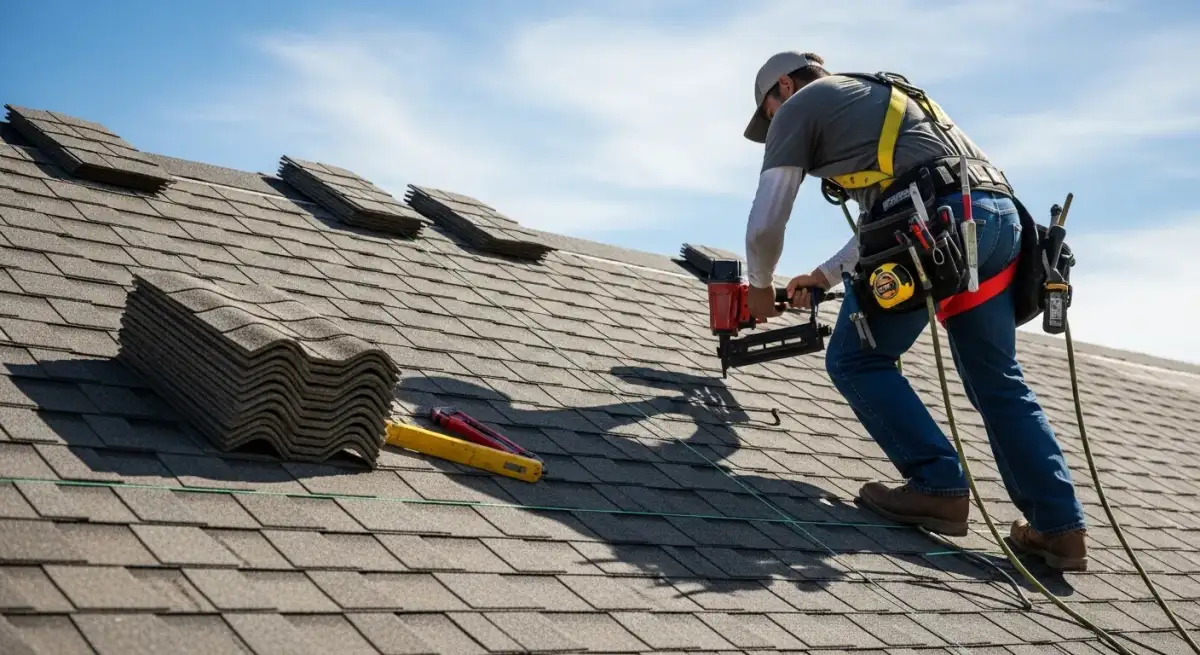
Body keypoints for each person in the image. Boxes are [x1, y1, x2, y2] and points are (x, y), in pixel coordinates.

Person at [739, 51, 1089, 571]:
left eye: (768, 113)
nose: (773, 126)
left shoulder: (800, 106)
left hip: (937, 224)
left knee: (857, 359)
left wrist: (759, 286)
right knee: (997, 380)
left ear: (784, 87)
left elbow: (769, 217)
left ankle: (938, 485)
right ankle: (1060, 529)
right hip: (997, 223)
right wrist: (824, 276)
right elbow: (892, 211)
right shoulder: (880, 100)